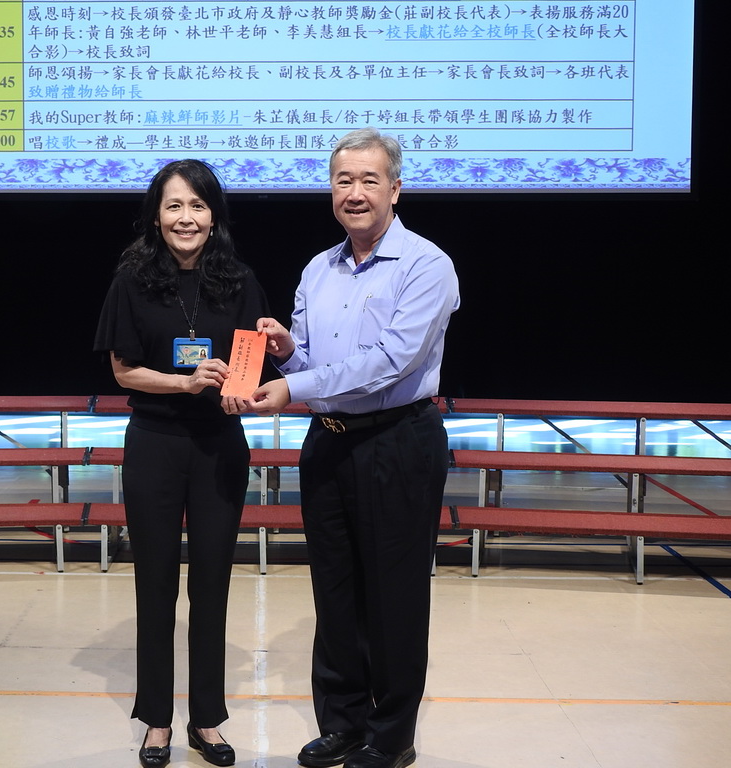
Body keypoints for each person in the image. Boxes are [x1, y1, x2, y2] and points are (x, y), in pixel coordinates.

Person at [249, 128, 460, 768]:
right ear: (331, 190)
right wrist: (289, 352)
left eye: (370, 180)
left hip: (398, 442)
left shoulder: (427, 265)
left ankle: (391, 737)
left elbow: (391, 363)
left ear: (396, 189)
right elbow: (316, 363)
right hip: (329, 443)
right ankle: (341, 722)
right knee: (334, 592)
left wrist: (294, 386)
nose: (356, 192)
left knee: (394, 596)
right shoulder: (318, 268)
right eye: (344, 180)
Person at [94, 159, 269, 768]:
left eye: (197, 205)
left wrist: (239, 389)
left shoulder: (239, 280)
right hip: (155, 443)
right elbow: (123, 371)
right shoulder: (132, 280)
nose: (186, 218)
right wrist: (184, 383)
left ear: (213, 215)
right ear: (156, 216)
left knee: (212, 583)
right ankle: (157, 719)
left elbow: (251, 364)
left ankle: (207, 719)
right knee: (156, 583)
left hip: (220, 445)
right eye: (174, 206)